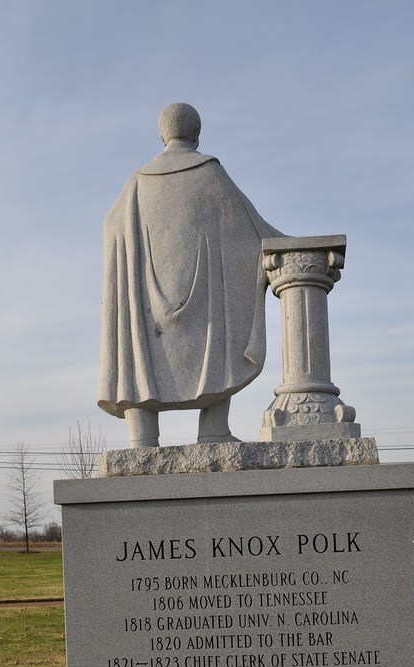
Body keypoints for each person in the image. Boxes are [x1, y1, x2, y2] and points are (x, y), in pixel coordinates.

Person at [97, 102, 282, 447]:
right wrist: (290, 247)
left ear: (162, 135)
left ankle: (143, 437)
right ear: (196, 134)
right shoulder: (210, 174)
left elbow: (113, 224)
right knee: (221, 348)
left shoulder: (136, 184)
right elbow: (256, 231)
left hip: (147, 315)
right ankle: (212, 430)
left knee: (140, 356)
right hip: (205, 312)